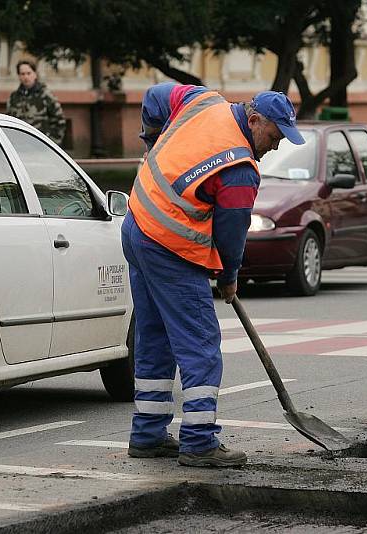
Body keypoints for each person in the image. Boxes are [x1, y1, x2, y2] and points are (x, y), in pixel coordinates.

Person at [123, 82, 304, 467]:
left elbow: (154, 95)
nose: (274, 147)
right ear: (254, 120)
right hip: (169, 246)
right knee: (200, 344)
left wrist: (152, 141)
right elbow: (231, 233)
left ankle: (148, 434)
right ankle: (199, 441)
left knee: (155, 337)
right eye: (274, 137)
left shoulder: (202, 100)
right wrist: (229, 276)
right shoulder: (239, 167)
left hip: (136, 224)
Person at [6, 60, 66, 144]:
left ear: (35, 74)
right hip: (20, 146)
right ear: (19, 76)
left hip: (41, 145)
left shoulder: (45, 95)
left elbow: (59, 121)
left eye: (28, 73)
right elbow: (9, 122)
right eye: (22, 74)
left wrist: (52, 143)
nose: (26, 77)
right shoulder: (14, 97)